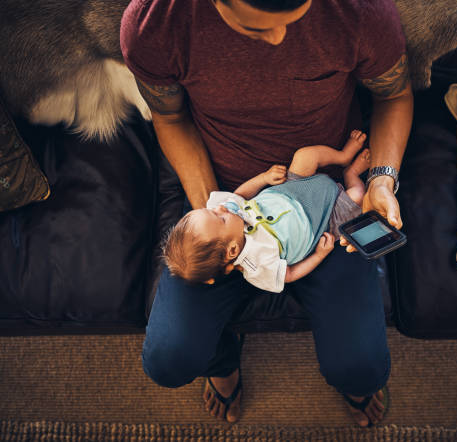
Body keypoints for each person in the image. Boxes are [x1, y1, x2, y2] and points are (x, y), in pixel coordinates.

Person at [121, 0, 413, 426]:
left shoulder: (360, 11)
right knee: (170, 360)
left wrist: (382, 180)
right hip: (221, 199)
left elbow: (394, 94)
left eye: (294, 15)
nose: (279, 39)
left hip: (324, 202)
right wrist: (215, 213)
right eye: (256, 29)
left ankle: (352, 382)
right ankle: (223, 365)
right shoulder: (155, 24)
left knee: (361, 368)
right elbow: (169, 116)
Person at [164, 130, 370, 292]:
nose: (219, 208)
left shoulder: (227, 212)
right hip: (321, 221)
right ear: (233, 250)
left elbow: (240, 194)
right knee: (357, 198)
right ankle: (351, 173)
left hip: (292, 190)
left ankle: (343, 157)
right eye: (220, 218)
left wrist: (263, 178)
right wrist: (319, 255)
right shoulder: (256, 266)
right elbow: (288, 274)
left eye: (209, 211)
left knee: (305, 156)